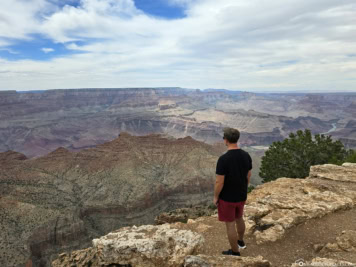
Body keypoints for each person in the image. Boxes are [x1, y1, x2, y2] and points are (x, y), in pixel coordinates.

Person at [214, 127, 252, 256]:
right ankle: (241, 242)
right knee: (239, 218)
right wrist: (244, 188)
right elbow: (248, 175)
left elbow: (219, 182)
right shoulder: (246, 155)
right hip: (241, 194)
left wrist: (215, 197)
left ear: (226, 140)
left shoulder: (223, 159)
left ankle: (235, 252)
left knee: (230, 224)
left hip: (227, 198)